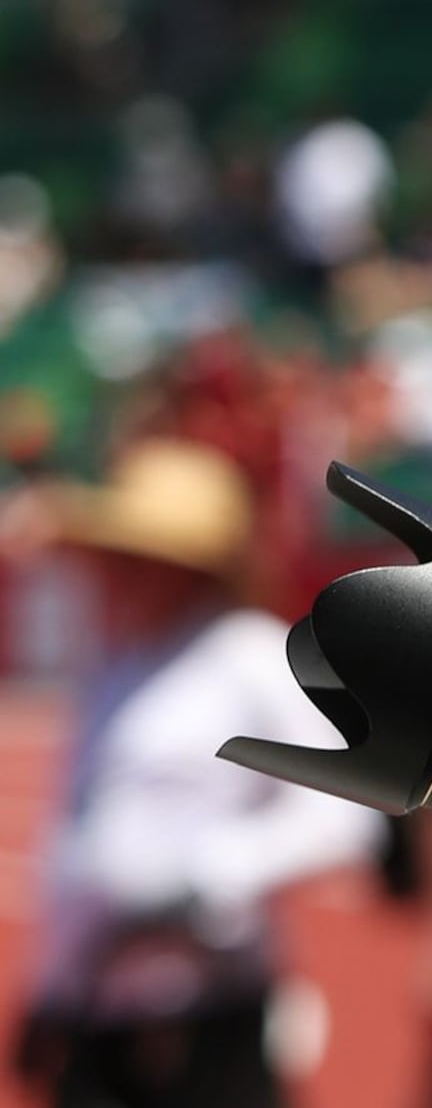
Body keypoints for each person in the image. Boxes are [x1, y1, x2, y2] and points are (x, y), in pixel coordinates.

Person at [8, 438, 385, 1108]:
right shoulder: (115, 666)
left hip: (209, 1006)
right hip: (98, 1003)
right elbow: (77, 833)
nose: (114, 572)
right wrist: (51, 988)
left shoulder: (250, 656)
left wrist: (208, 875)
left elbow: (346, 810)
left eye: (135, 556)